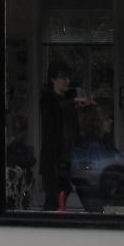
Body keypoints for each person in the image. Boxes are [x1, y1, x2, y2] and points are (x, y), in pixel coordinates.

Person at [37, 60, 92, 210]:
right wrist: (74, 101)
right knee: (53, 199)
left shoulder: (68, 101)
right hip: (53, 158)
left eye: (68, 78)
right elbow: (56, 108)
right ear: (53, 79)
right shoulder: (48, 99)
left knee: (64, 194)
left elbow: (76, 128)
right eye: (63, 78)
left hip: (68, 157)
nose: (67, 81)